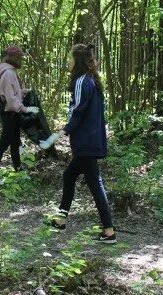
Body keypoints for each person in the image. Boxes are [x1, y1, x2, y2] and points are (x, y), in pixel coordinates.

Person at [49, 44, 116, 244]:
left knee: (96, 184)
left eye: (70, 59)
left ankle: (109, 231)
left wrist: (62, 131)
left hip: (85, 141)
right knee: (69, 176)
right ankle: (61, 219)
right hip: (91, 140)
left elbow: (77, 110)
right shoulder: (92, 81)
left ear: (77, 61)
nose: (67, 63)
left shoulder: (81, 82)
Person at [0, 46, 40, 185]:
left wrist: (23, 92)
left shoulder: (9, 72)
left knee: (15, 143)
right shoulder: (8, 73)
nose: (21, 60)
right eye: (19, 57)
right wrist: (26, 109)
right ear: (12, 58)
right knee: (3, 144)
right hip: (9, 114)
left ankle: (19, 171)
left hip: (12, 114)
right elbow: (10, 99)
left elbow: (13, 93)